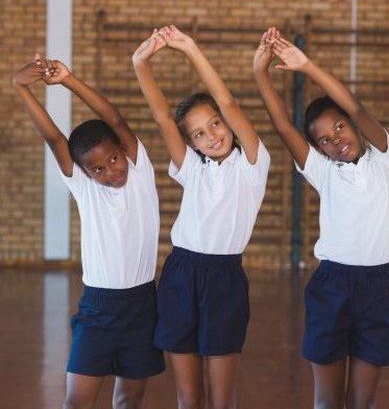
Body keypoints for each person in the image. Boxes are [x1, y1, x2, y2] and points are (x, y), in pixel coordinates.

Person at [254, 27, 389, 409]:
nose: (335, 139)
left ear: (353, 125)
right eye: (323, 140)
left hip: (379, 287)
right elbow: (283, 126)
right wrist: (260, 73)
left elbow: (354, 106)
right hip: (332, 285)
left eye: (339, 127)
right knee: (327, 400)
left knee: (363, 400)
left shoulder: (384, 156)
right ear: (319, 149)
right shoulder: (324, 172)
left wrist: (306, 66)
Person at [13, 55, 164, 408]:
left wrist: (68, 79)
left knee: (129, 400)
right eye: (97, 169)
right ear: (85, 172)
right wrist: (20, 87)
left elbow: (115, 118)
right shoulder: (85, 188)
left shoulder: (139, 169)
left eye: (113, 159)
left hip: (142, 304)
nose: (111, 171)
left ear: (123, 150)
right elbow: (54, 138)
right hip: (98, 308)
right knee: (76, 402)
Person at [132, 25, 270, 408]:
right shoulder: (192, 169)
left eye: (215, 124)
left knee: (221, 398)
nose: (211, 135)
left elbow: (230, 102)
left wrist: (191, 49)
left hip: (225, 279)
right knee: (188, 396)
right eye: (198, 134)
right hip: (181, 273)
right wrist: (140, 63)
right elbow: (162, 118)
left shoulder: (253, 164)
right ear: (191, 144)